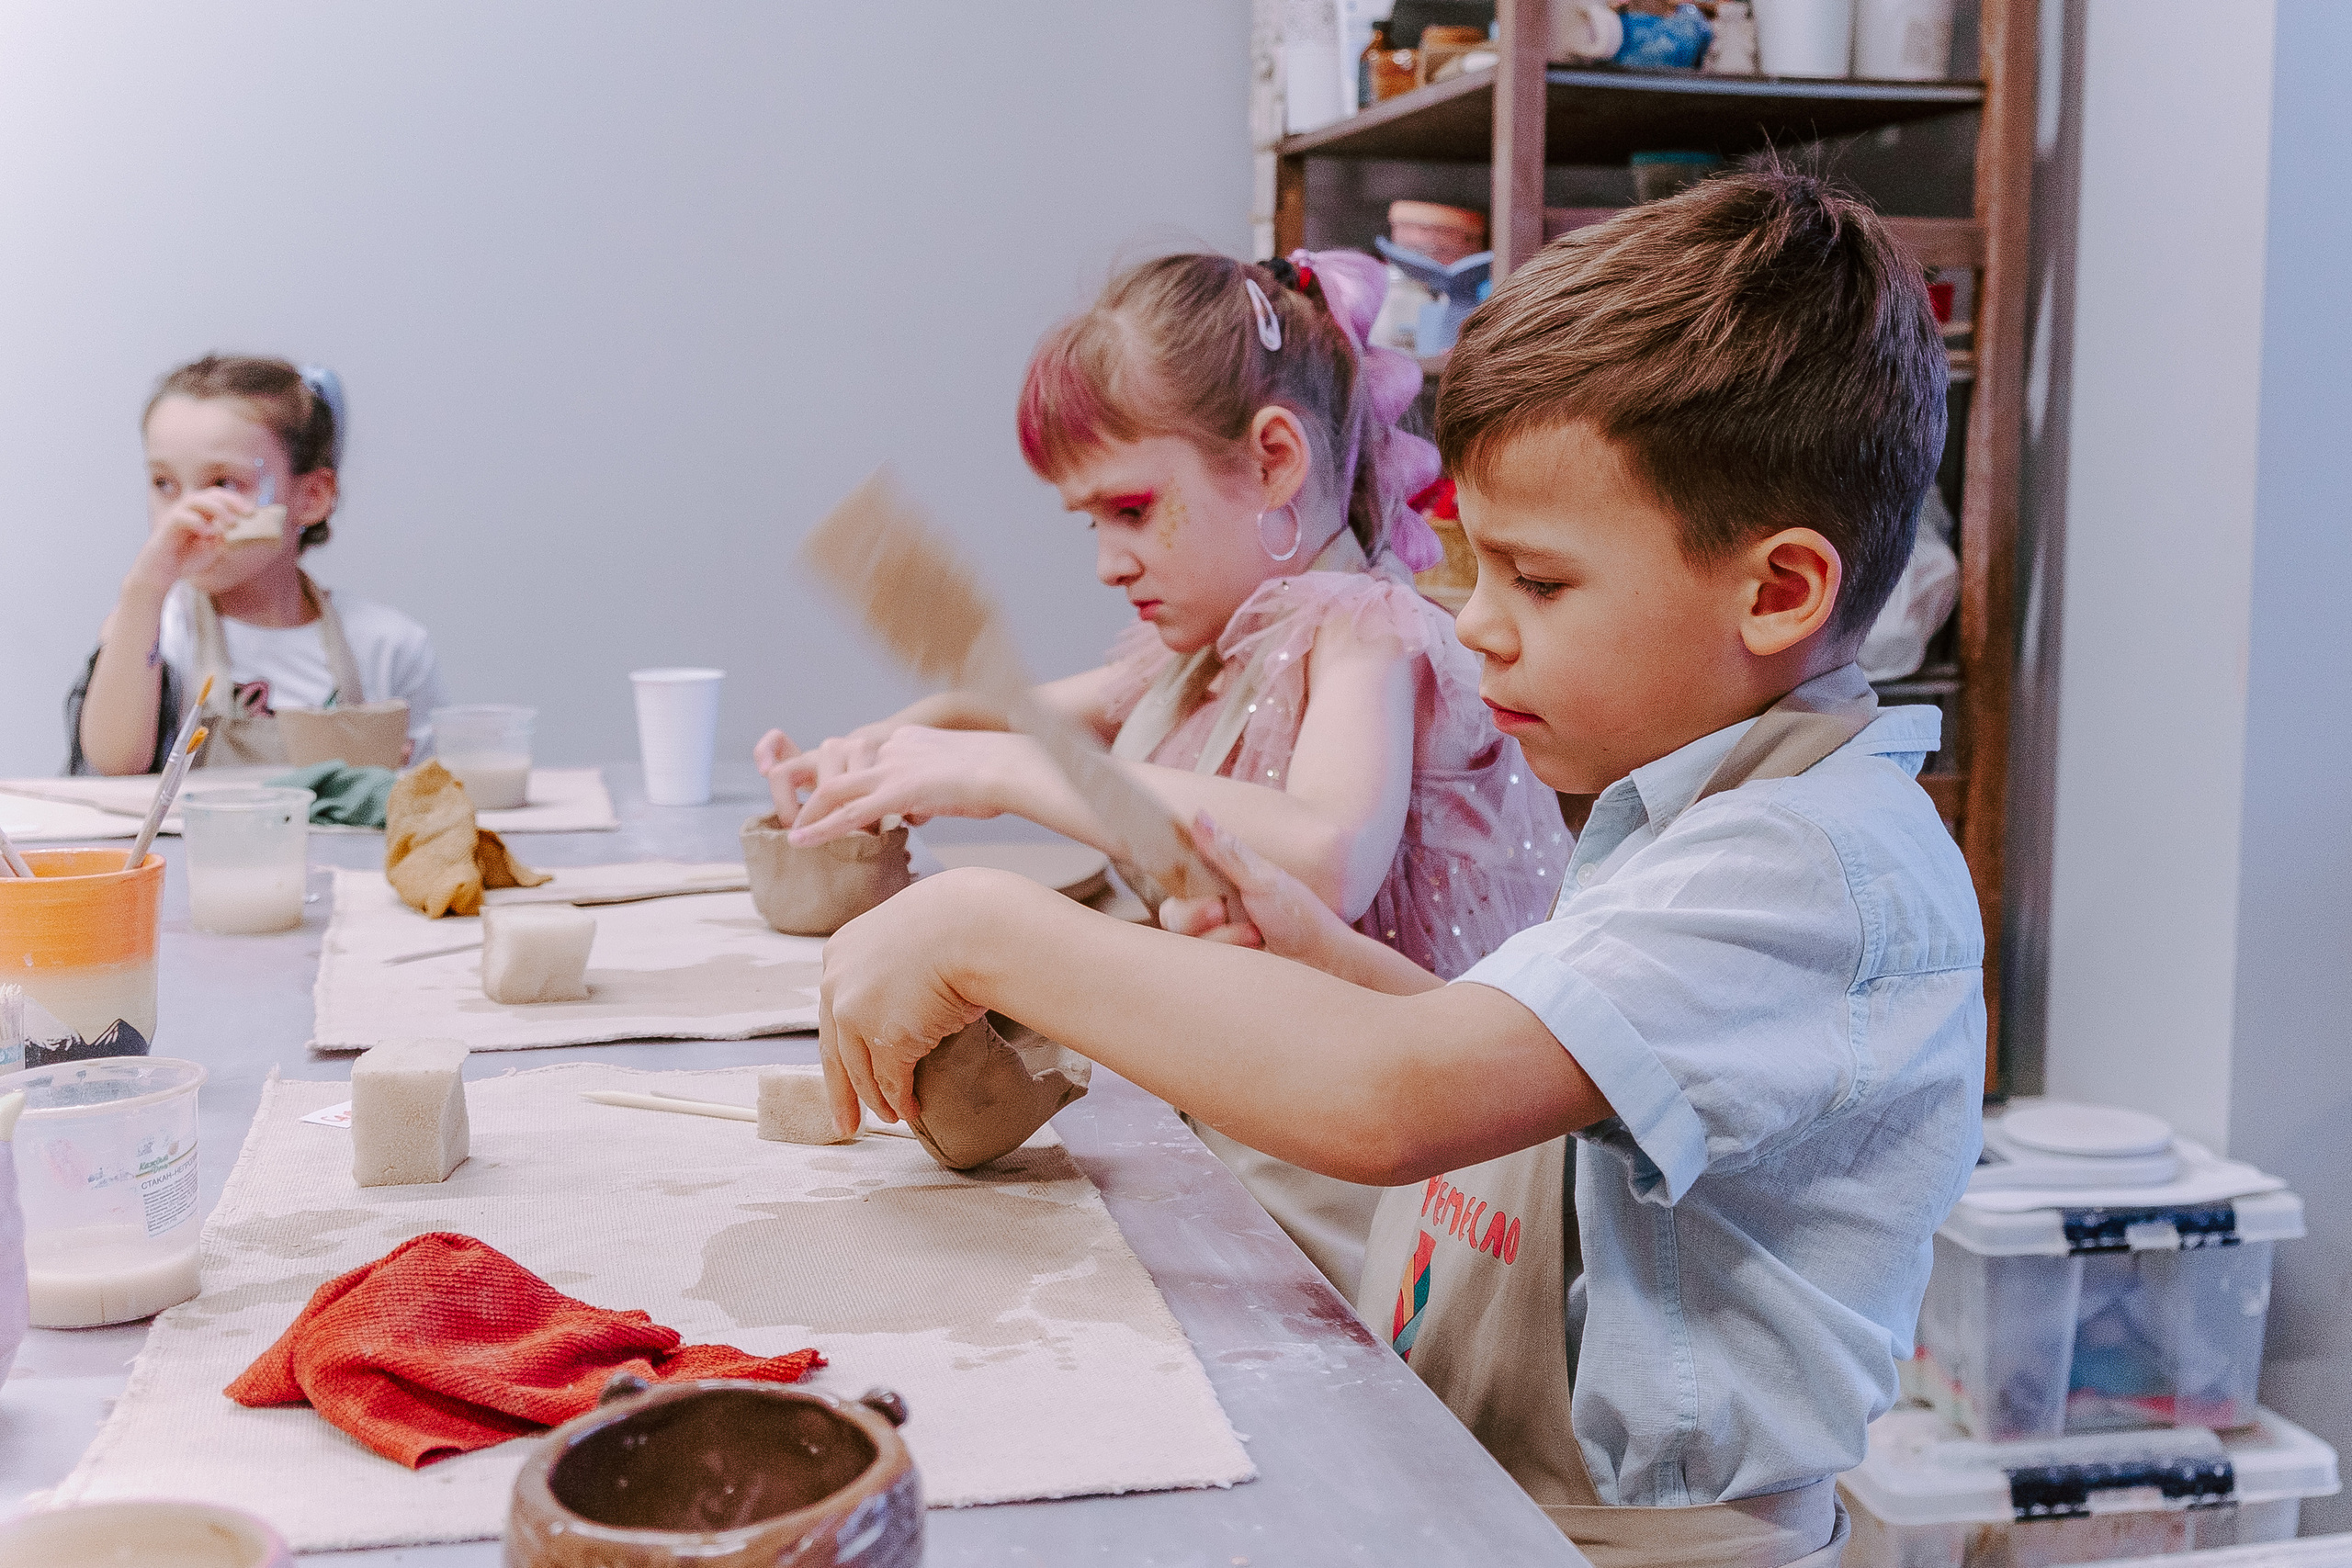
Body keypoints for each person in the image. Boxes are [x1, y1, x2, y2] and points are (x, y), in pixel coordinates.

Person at [814, 171, 1985, 1567]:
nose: (1478, 630)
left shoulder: (1814, 867)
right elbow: (1543, 1073)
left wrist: (988, 928)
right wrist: (1327, 952)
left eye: (1539, 584)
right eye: (1478, 571)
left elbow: (1398, 1095)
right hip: (1484, 1479)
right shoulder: (1698, 810)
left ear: (1779, 590)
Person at [758, 250, 1567, 1293]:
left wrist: (1001, 765)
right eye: (1089, 521)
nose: (1107, 560)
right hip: (1248, 1127)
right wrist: (874, 753)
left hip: (1397, 1200)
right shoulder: (1194, 658)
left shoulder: (1366, 634)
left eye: (1132, 510)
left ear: (1274, 461)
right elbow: (1002, 714)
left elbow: (1324, 854)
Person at [68, 355, 445, 774]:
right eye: (164, 484)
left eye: (225, 483)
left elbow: (428, 803)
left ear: (311, 497)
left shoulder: (388, 646)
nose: (187, 512)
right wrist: (145, 588)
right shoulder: (158, 629)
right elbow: (113, 762)